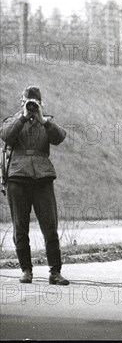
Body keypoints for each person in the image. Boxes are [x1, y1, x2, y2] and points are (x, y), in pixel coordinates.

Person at [0, 86, 69, 285]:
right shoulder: (12, 121)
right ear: (21, 102)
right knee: (20, 227)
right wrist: (22, 117)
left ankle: (55, 272)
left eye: (34, 102)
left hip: (43, 179)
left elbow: (59, 138)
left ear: (40, 103)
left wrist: (42, 119)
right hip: (18, 178)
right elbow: (5, 135)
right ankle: (26, 271)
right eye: (26, 102)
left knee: (50, 226)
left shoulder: (46, 121)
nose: (29, 106)